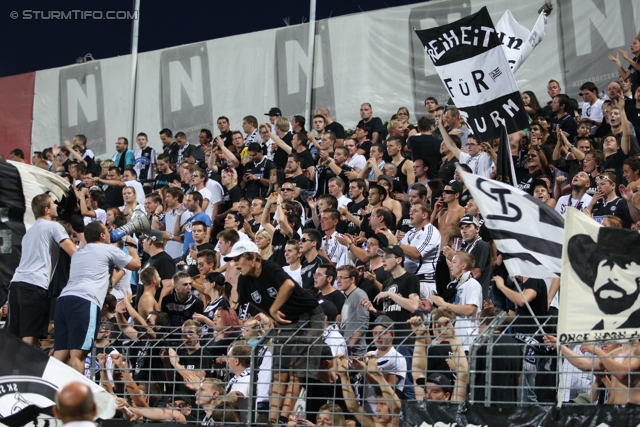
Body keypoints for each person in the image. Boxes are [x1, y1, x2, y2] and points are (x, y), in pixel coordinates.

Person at [224, 240, 323, 425]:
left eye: (238, 258)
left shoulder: (270, 267)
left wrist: (273, 310)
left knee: (296, 371)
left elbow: (288, 285)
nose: (235, 264)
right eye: (233, 260)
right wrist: (269, 317)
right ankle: (273, 420)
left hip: (308, 317)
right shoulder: (244, 281)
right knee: (279, 370)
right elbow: (252, 302)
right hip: (285, 321)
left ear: (253, 257)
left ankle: (284, 419)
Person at [53, 222, 140, 373]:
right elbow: (136, 265)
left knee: (60, 354)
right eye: (107, 231)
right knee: (78, 355)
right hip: (85, 301)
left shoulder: (79, 252)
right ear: (102, 235)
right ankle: (76, 396)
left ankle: (47, 391)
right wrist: (132, 248)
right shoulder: (109, 249)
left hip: (64, 300)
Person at [8, 194, 77, 347]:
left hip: (16, 285)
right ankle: (28, 371)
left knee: (15, 338)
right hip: (34, 285)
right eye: (53, 204)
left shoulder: (29, 233)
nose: (56, 206)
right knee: (30, 337)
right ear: (47, 210)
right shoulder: (54, 226)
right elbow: (74, 253)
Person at [430, 251, 482, 352]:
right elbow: (451, 310)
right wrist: (432, 307)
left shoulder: (472, 284)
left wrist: (444, 304)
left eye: (454, 262)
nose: (450, 266)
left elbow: (469, 310)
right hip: (454, 335)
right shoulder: (452, 285)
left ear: (463, 266)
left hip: (467, 336)